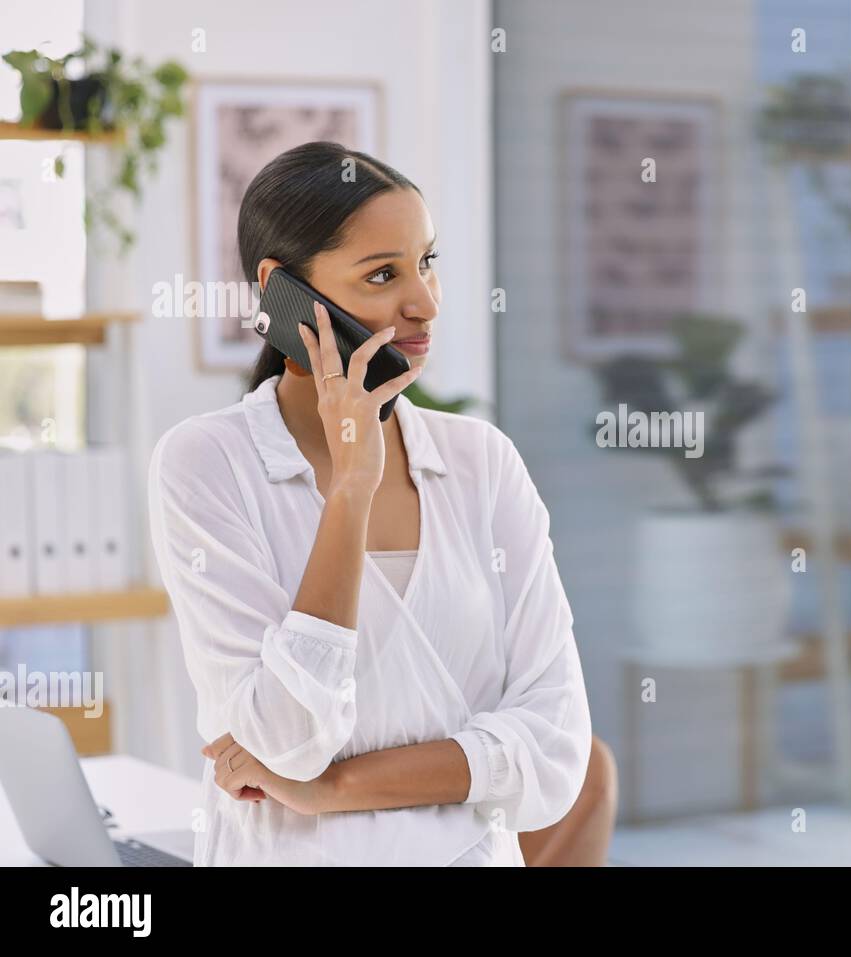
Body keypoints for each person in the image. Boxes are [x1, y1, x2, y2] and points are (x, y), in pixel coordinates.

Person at [148, 141, 616, 865]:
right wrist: (351, 490)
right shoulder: (207, 464)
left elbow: (554, 754)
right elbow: (287, 738)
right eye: (383, 274)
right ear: (282, 292)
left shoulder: (481, 462)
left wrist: (333, 789)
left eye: (427, 262)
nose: (423, 302)